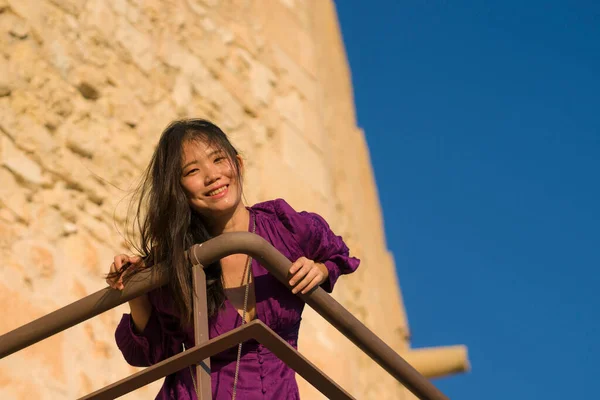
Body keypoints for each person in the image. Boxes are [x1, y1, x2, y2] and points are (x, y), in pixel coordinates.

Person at [107, 119, 360, 399]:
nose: (212, 175)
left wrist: (321, 270)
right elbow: (151, 352)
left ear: (238, 164)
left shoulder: (285, 229)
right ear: (179, 190)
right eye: (192, 170)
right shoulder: (176, 263)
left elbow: (339, 255)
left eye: (218, 159)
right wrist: (136, 291)